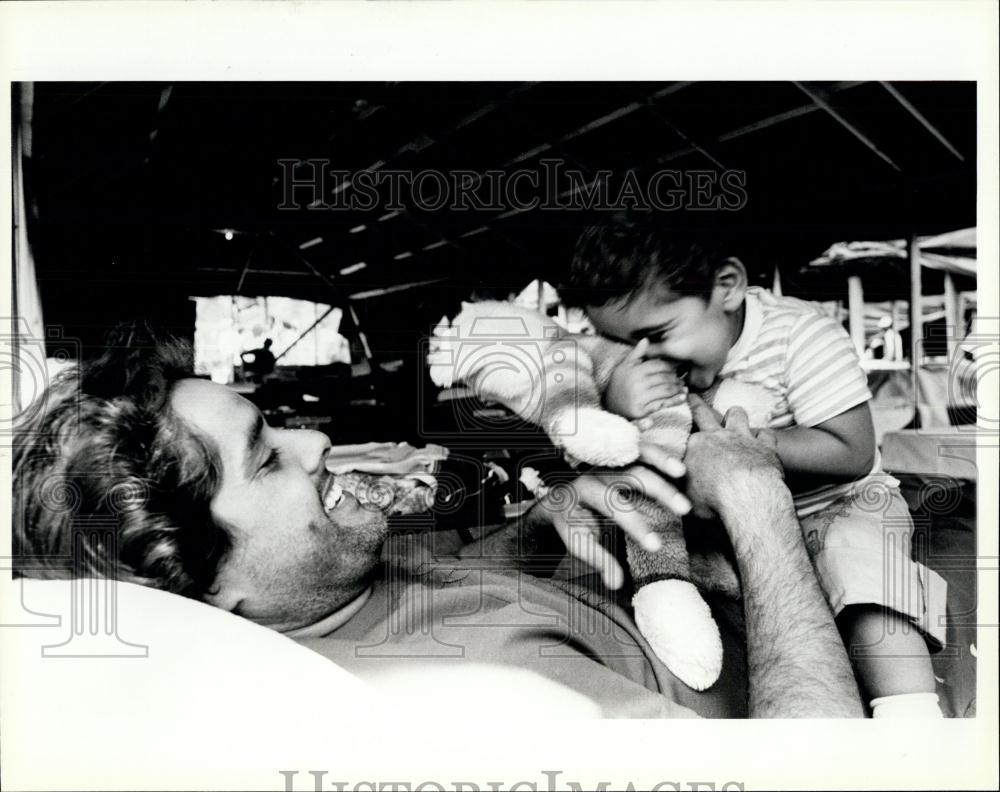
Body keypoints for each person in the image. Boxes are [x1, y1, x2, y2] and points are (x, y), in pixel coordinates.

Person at [12, 324, 862, 717]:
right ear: (212, 590)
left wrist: (537, 525)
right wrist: (760, 507)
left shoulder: (335, 590)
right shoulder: (479, 701)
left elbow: (442, 592)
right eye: (267, 458)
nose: (314, 440)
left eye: (275, 422)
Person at [561, 221, 948, 718]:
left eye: (656, 336)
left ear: (727, 286)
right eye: (621, 347)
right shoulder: (649, 364)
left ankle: (911, 714)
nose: (644, 360)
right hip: (723, 525)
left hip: (835, 506)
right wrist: (618, 398)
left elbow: (852, 451)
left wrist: (755, 448)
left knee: (864, 577)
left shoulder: (800, 334)